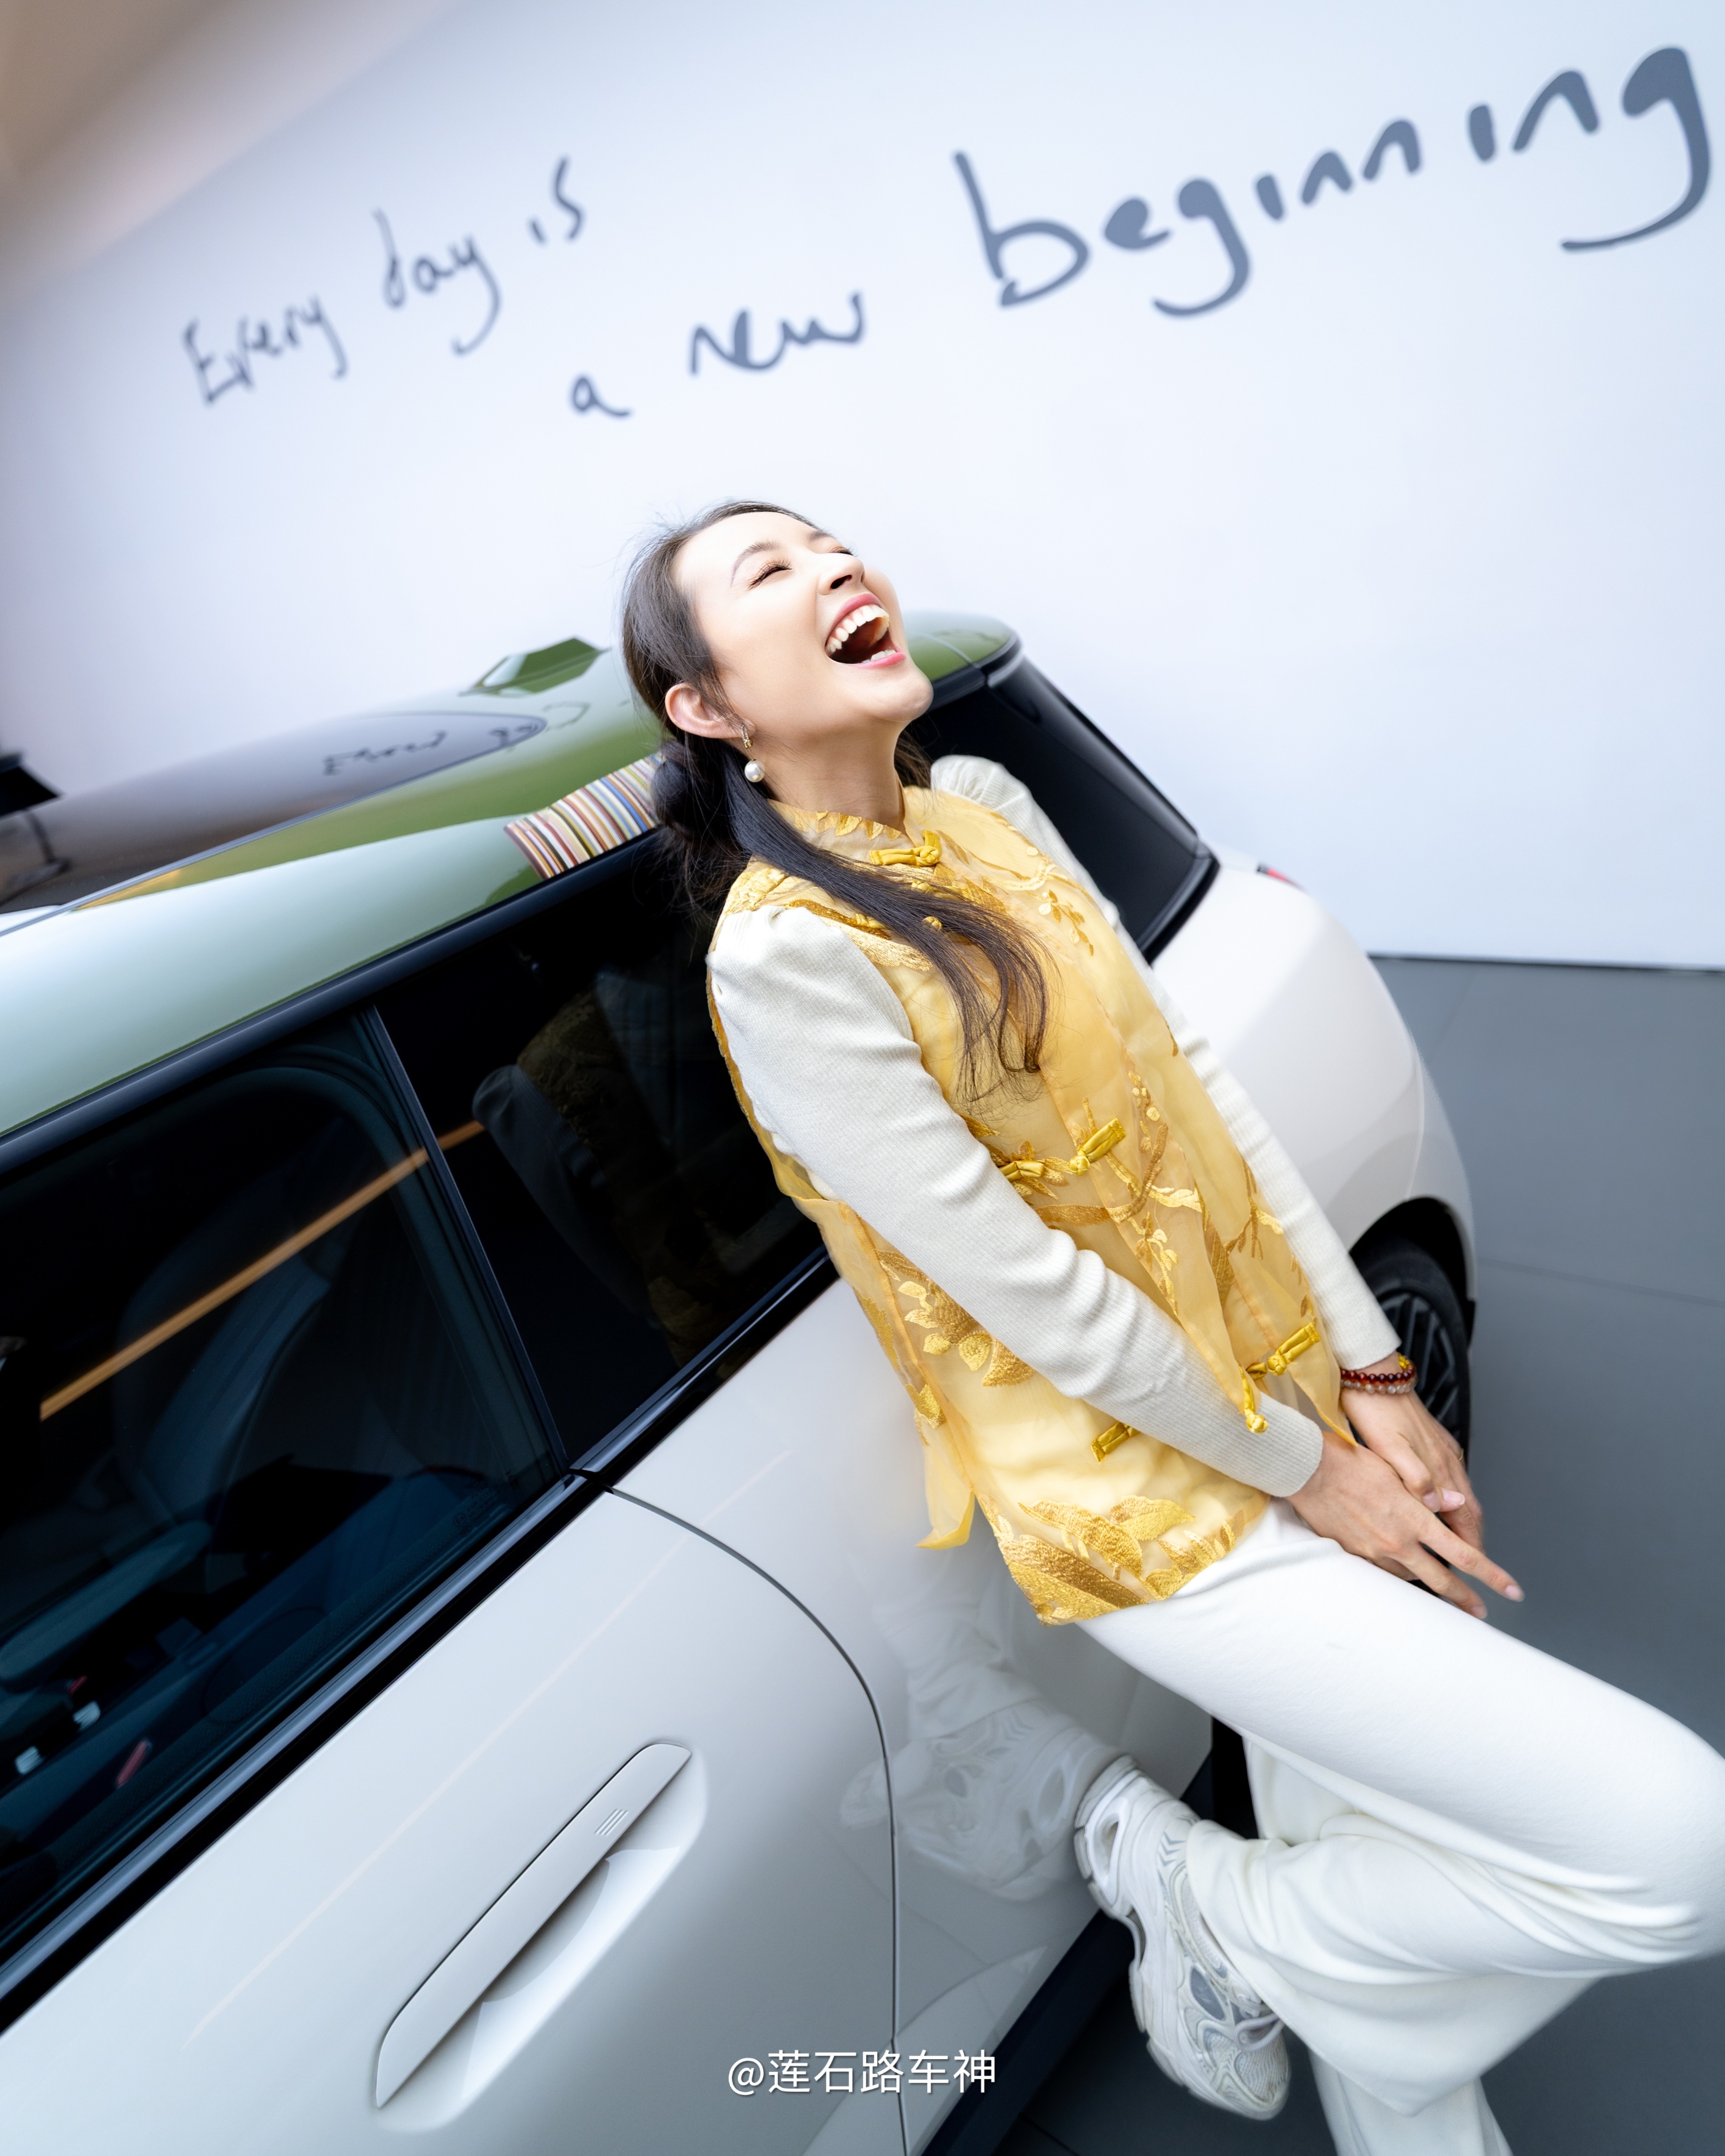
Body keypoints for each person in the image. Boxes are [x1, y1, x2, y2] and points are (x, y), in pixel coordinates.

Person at [619, 500, 1725, 2156]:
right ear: (707, 706)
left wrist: (1365, 1366)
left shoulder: (985, 805)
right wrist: (1308, 1470)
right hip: (1145, 1497)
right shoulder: (784, 959)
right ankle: (1206, 1901)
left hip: (1286, 1393)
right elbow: (1024, 1286)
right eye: (771, 571)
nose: (840, 566)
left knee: (1386, 1933)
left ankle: (1275, 1956)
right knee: (1679, 1847)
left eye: (834, 542)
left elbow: (1195, 1089)